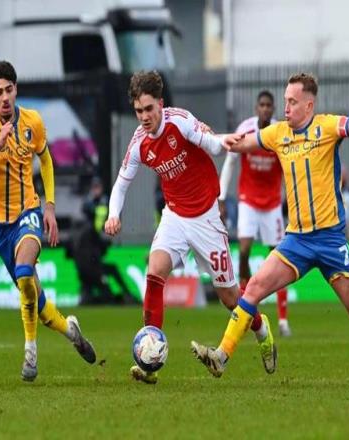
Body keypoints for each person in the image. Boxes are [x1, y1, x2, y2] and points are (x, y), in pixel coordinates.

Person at [191, 73, 349, 387]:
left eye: (292, 102)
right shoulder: (278, 134)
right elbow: (241, 142)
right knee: (254, 286)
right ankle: (221, 356)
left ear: (309, 105)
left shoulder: (326, 127)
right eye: (285, 101)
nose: (285, 107)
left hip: (330, 241)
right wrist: (205, 137)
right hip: (296, 241)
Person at [104, 70, 276, 384]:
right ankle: (150, 364)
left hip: (206, 218)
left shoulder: (180, 121)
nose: (144, 117)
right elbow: (121, 183)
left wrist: (224, 141)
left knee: (229, 298)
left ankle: (261, 327)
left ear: (160, 104)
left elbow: (210, 144)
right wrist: (114, 214)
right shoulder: (139, 143)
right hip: (174, 216)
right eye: (138, 111)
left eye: (149, 109)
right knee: (154, 272)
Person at [0, 61, 96, 382]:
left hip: (28, 212)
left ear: (16, 89)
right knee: (40, 304)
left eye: (9, 90)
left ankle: (30, 353)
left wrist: (49, 207)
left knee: (24, 272)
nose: (4, 97)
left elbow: (46, 160)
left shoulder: (33, 121)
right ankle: (71, 331)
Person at [219, 90, 291, 337]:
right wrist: (221, 196)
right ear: (256, 108)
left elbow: (289, 166)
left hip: (272, 205)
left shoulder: (280, 132)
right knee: (244, 252)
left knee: (279, 258)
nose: (265, 109)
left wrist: (290, 196)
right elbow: (230, 161)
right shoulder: (246, 129)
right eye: (262, 105)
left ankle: (283, 320)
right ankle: (246, 310)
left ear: (273, 109)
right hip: (248, 201)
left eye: (269, 105)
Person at [75, 177, 131, 305]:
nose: (96, 190)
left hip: (95, 245)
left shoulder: (102, 203)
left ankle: (120, 295)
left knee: (94, 284)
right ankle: (123, 296)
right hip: (93, 251)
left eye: (98, 187)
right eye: (94, 187)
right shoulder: (90, 205)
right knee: (104, 281)